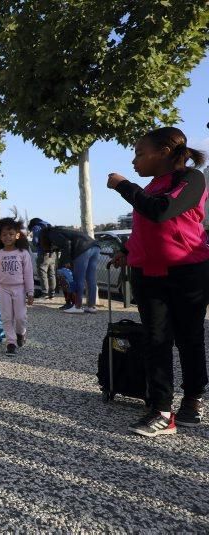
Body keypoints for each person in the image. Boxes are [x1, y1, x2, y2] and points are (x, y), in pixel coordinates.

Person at [107, 126, 209, 436]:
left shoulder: (191, 179)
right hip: (148, 274)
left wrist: (125, 185)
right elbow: (145, 229)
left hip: (187, 271)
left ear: (164, 152)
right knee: (155, 340)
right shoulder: (151, 187)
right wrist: (126, 251)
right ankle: (162, 409)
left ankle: (193, 398)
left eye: (140, 153)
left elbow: (162, 212)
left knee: (189, 337)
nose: (134, 160)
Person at [0, 218, 34, 356]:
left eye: (11, 234)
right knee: (7, 317)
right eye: (4, 235)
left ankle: (21, 333)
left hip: (20, 289)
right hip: (3, 289)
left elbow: (28, 274)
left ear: (17, 235)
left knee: (20, 317)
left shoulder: (23, 253)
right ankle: (11, 342)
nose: (8, 237)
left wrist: (30, 292)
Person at [36, 224, 100, 314]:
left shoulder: (51, 234)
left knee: (79, 279)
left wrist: (66, 261)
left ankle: (78, 306)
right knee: (91, 279)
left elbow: (67, 243)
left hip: (82, 248)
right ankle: (91, 307)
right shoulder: (62, 230)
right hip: (95, 246)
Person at [28, 218, 58, 300]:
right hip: (53, 253)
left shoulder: (36, 227)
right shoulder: (48, 224)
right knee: (52, 273)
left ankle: (45, 293)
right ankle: (52, 293)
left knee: (42, 273)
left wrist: (36, 243)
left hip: (43, 253)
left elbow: (35, 241)